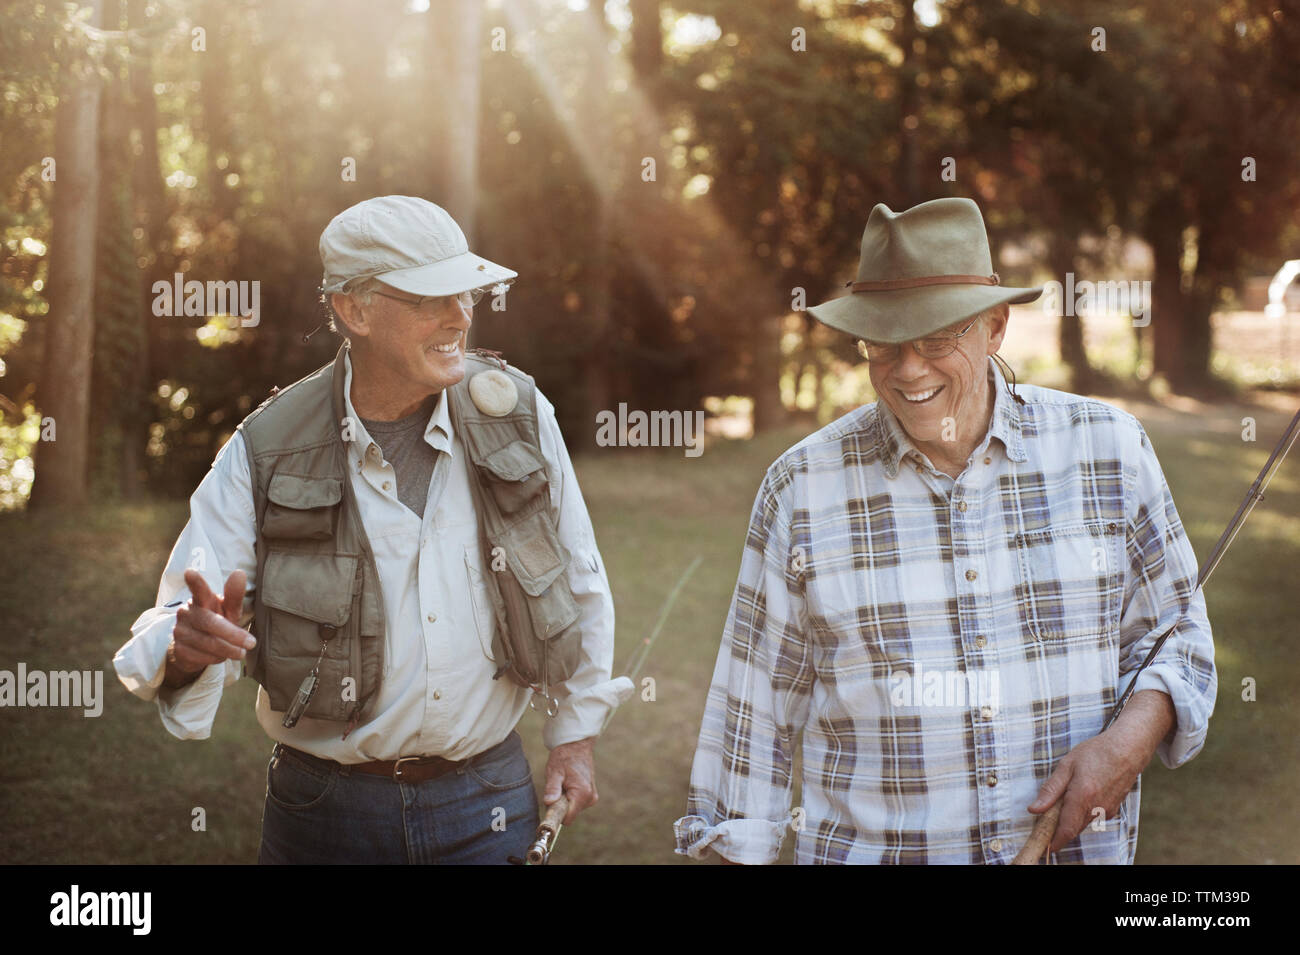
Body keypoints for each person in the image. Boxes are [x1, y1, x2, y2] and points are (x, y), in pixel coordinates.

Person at [674, 197, 1216, 864]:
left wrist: (1125, 748)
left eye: (936, 339)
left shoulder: (1110, 450)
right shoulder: (801, 489)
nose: (908, 369)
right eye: (884, 343)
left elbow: (1178, 639)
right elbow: (752, 714)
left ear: (994, 326)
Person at [114, 195, 631, 864]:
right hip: (325, 814)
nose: (460, 315)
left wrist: (575, 737)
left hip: (490, 797)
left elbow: (581, 574)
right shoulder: (264, 447)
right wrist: (184, 647)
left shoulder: (518, 412)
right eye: (430, 298)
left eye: (466, 293)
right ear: (354, 311)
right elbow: (173, 618)